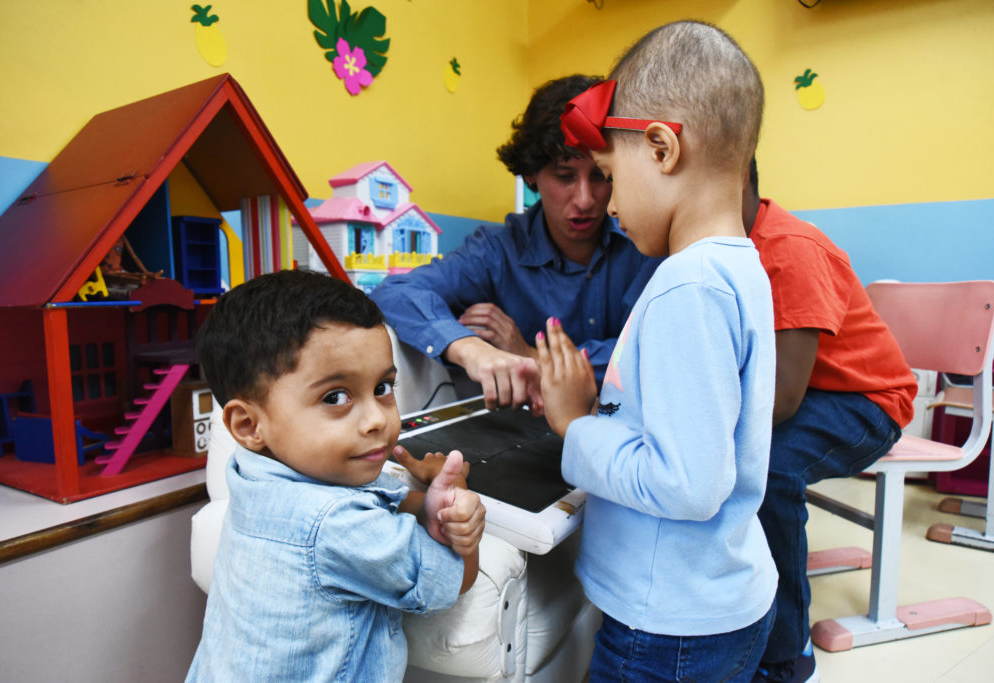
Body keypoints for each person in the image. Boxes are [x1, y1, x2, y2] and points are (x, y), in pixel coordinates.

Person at [531, 21, 777, 682]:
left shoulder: (685, 285)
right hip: (715, 600)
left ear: (663, 149)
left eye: (609, 174)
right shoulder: (739, 266)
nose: (605, 202)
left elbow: (686, 483)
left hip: (667, 626)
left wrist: (574, 424)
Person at [186, 269, 485, 682]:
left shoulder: (251, 473)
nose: (376, 420)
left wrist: (424, 500)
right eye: (335, 397)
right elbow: (454, 581)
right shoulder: (339, 526)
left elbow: (368, 502)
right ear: (249, 425)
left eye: (383, 387)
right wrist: (457, 504)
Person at [370, 74, 661, 410]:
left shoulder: (645, 244)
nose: (585, 199)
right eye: (564, 176)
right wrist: (472, 349)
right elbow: (393, 293)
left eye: (600, 175)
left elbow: (654, 353)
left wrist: (532, 355)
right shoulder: (496, 250)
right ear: (531, 175)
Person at [743, 158, 917, 683]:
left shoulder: (788, 248)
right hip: (823, 394)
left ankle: (788, 657)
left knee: (766, 465)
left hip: (871, 401)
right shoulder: (729, 248)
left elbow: (781, 401)